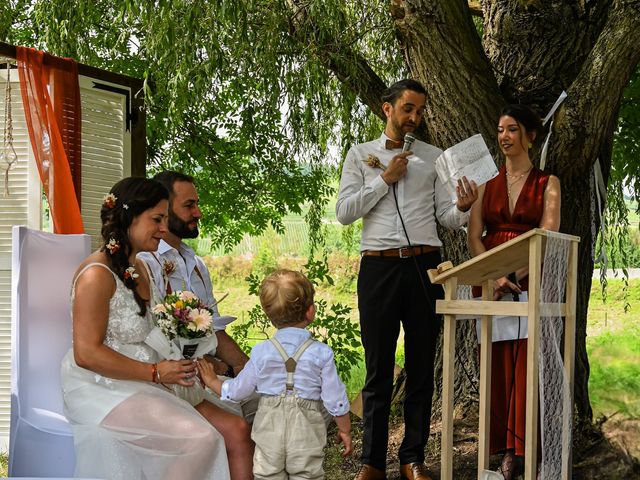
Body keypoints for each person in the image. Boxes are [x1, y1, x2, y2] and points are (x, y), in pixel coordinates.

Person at [336, 79, 478, 480]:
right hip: (378, 268)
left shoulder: (434, 158)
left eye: (420, 111)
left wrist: (463, 209)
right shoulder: (360, 155)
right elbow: (345, 212)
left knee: (420, 367)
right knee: (378, 369)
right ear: (387, 109)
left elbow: (445, 217)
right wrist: (384, 180)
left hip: (423, 266)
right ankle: (372, 463)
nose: (415, 117)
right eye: (408, 109)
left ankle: (413, 458)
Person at [60, 177, 231, 479]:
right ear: (128, 217)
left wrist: (182, 362)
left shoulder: (141, 268)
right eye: (157, 219)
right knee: (200, 440)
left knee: (224, 422)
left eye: (165, 219)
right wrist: (155, 374)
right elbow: (85, 353)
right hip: (101, 386)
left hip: (145, 377)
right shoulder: (96, 276)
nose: (165, 229)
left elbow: (151, 331)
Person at [138, 171, 256, 478]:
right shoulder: (146, 263)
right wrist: (216, 368)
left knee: (281, 401)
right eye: (189, 205)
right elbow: (159, 337)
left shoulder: (196, 262)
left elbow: (213, 328)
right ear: (164, 207)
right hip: (180, 378)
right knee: (237, 421)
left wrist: (245, 366)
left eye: (197, 204)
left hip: (211, 371)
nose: (198, 213)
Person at [467, 104, 561, 480]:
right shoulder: (484, 185)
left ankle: (522, 450)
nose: (504, 136)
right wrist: (491, 275)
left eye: (512, 129)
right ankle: (498, 450)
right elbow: (475, 235)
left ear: (529, 135)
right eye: (500, 130)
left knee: (525, 363)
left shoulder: (547, 183)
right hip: (489, 280)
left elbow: (549, 233)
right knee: (496, 364)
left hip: (528, 276)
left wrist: (515, 273)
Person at [197, 269, 353, 480]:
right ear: (311, 311)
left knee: (267, 474)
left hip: (269, 428)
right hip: (306, 430)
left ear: (270, 317)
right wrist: (344, 429)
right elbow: (335, 398)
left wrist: (213, 381)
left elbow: (238, 391)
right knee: (307, 474)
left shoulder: (261, 353)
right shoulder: (321, 353)